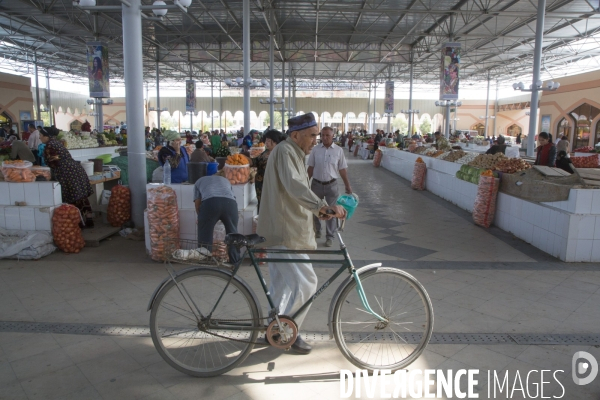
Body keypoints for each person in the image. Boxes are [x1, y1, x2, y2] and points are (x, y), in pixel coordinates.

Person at [257, 113, 347, 354]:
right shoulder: (286, 151)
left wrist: (320, 210)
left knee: (282, 286)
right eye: (312, 136)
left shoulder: (293, 152)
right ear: (296, 135)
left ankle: (273, 329)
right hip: (285, 231)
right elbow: (295, 186)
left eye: (318, 136)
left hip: (282, 229)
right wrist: (321, 206)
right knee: (307, 283)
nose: (315, 141)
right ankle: (287, 332)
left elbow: (298, 188)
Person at [40, 126, 94, 227]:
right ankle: (88, 219)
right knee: (81, 196)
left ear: (46, 136)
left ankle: (77, 223)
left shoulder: (50, 145)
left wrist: (47, 172)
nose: (39, 137)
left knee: (72, 196)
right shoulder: (57, 142)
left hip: (67, 173)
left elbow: (54, 162)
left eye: (41, 135)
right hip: (75, 169)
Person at [308, 126, 352, 247]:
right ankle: (317, 230)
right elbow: (310, 168)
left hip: (331, 185)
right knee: (315, 209)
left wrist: (348, 185)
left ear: (333, 136)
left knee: (332, 211)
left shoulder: (338, 150)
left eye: (327, 135)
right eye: (322, 135)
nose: (325, 137)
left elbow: (342, 169)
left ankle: (330, 236)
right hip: (316, 184)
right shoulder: (316, 150)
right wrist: (306, 183)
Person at [194, 175, 240, 263]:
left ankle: (205, 261)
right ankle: (235, 262)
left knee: (205, 233)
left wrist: (201, 218)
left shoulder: (198, 181)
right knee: (233, 233)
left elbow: (197, 204)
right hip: (230, 204)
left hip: (210, 203)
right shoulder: (225, 180)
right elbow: (232, 196)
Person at [246, 129, 284, 212]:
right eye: (266, 140)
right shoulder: (266, 152)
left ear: (275, 141)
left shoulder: (279, 153)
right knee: (262, 204)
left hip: (271, 184)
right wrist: (246, 159)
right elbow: (256, 161)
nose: (266, 143)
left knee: (271, 205)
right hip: (260, 184)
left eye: (269, 141)